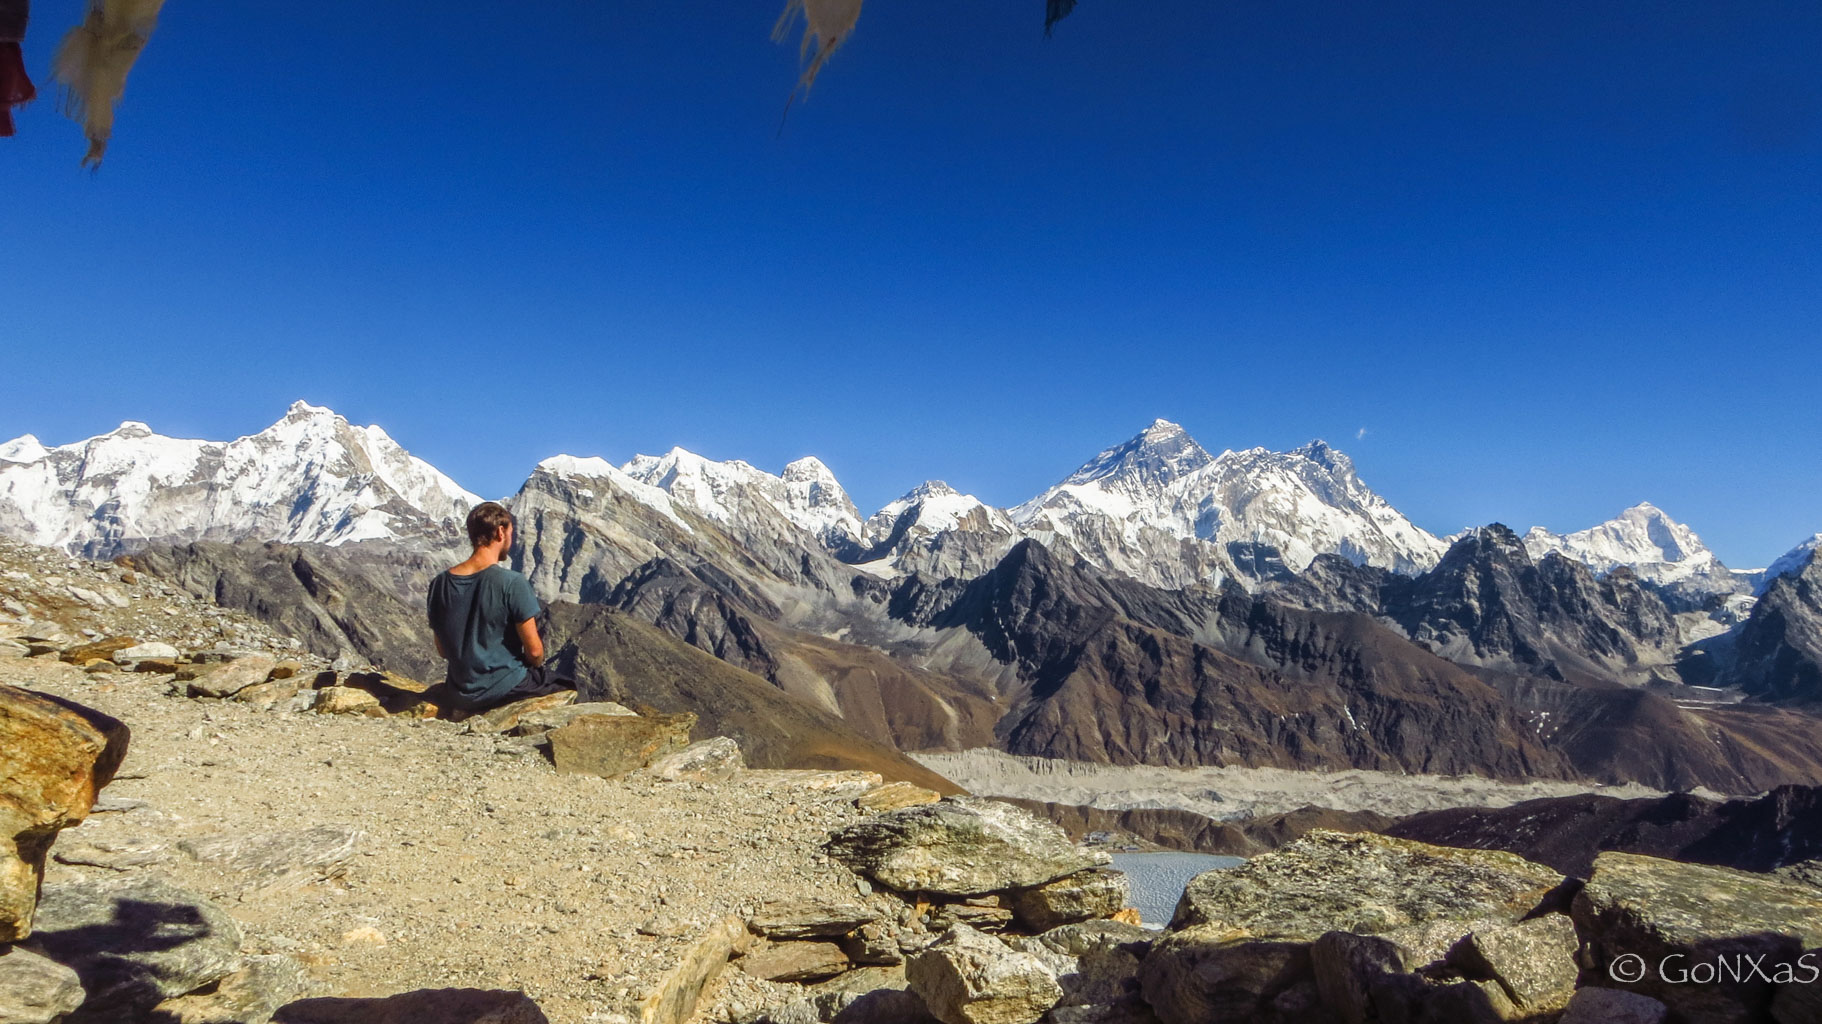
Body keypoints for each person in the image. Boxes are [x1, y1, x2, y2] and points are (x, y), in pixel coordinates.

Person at [426, 502, 575, 712]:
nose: (512, 541)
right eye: (511, 533)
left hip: (458, 693)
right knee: (567, 686)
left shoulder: (438, 584)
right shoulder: (512, 582)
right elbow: (534, 652)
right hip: (506, 688)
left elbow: (442, 651)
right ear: (500, 532)